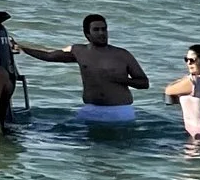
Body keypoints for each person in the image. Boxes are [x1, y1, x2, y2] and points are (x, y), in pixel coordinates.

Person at [16, 14, 148, 125]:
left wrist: (121, 80)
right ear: (87, 34)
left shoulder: (122, 54)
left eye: (104, 29)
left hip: (119, 111)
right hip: (90, 110)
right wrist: (22, 48)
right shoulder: (79, 51)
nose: (102, 33)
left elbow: (144, 83)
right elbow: (49, 56)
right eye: (96, 30)